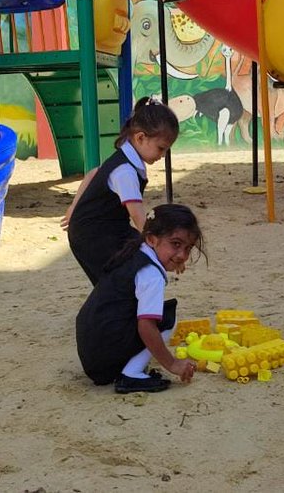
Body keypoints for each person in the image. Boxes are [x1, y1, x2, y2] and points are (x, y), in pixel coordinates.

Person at [76, 203, 203, 393]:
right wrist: (173, 363)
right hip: (104, 360)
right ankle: (131, 374)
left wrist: (172, 256)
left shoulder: (135, 250)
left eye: (188, 248)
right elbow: (146, 326)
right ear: (152, 239)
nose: (182, 255)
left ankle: (128, 367)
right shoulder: (151, 274)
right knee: (168, 318)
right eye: (176, 244)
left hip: (93, 350)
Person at [61, 97, 179, 285]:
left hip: (109, 228)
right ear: (140, 137)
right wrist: (158, 252)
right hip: (93, 236)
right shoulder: (126, 172)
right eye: (161, 148)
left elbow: (94, 173)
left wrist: (74, 207)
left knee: (136, 264)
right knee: (118, 284)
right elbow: (139, 217)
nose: (162, 155)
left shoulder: (128, 158)